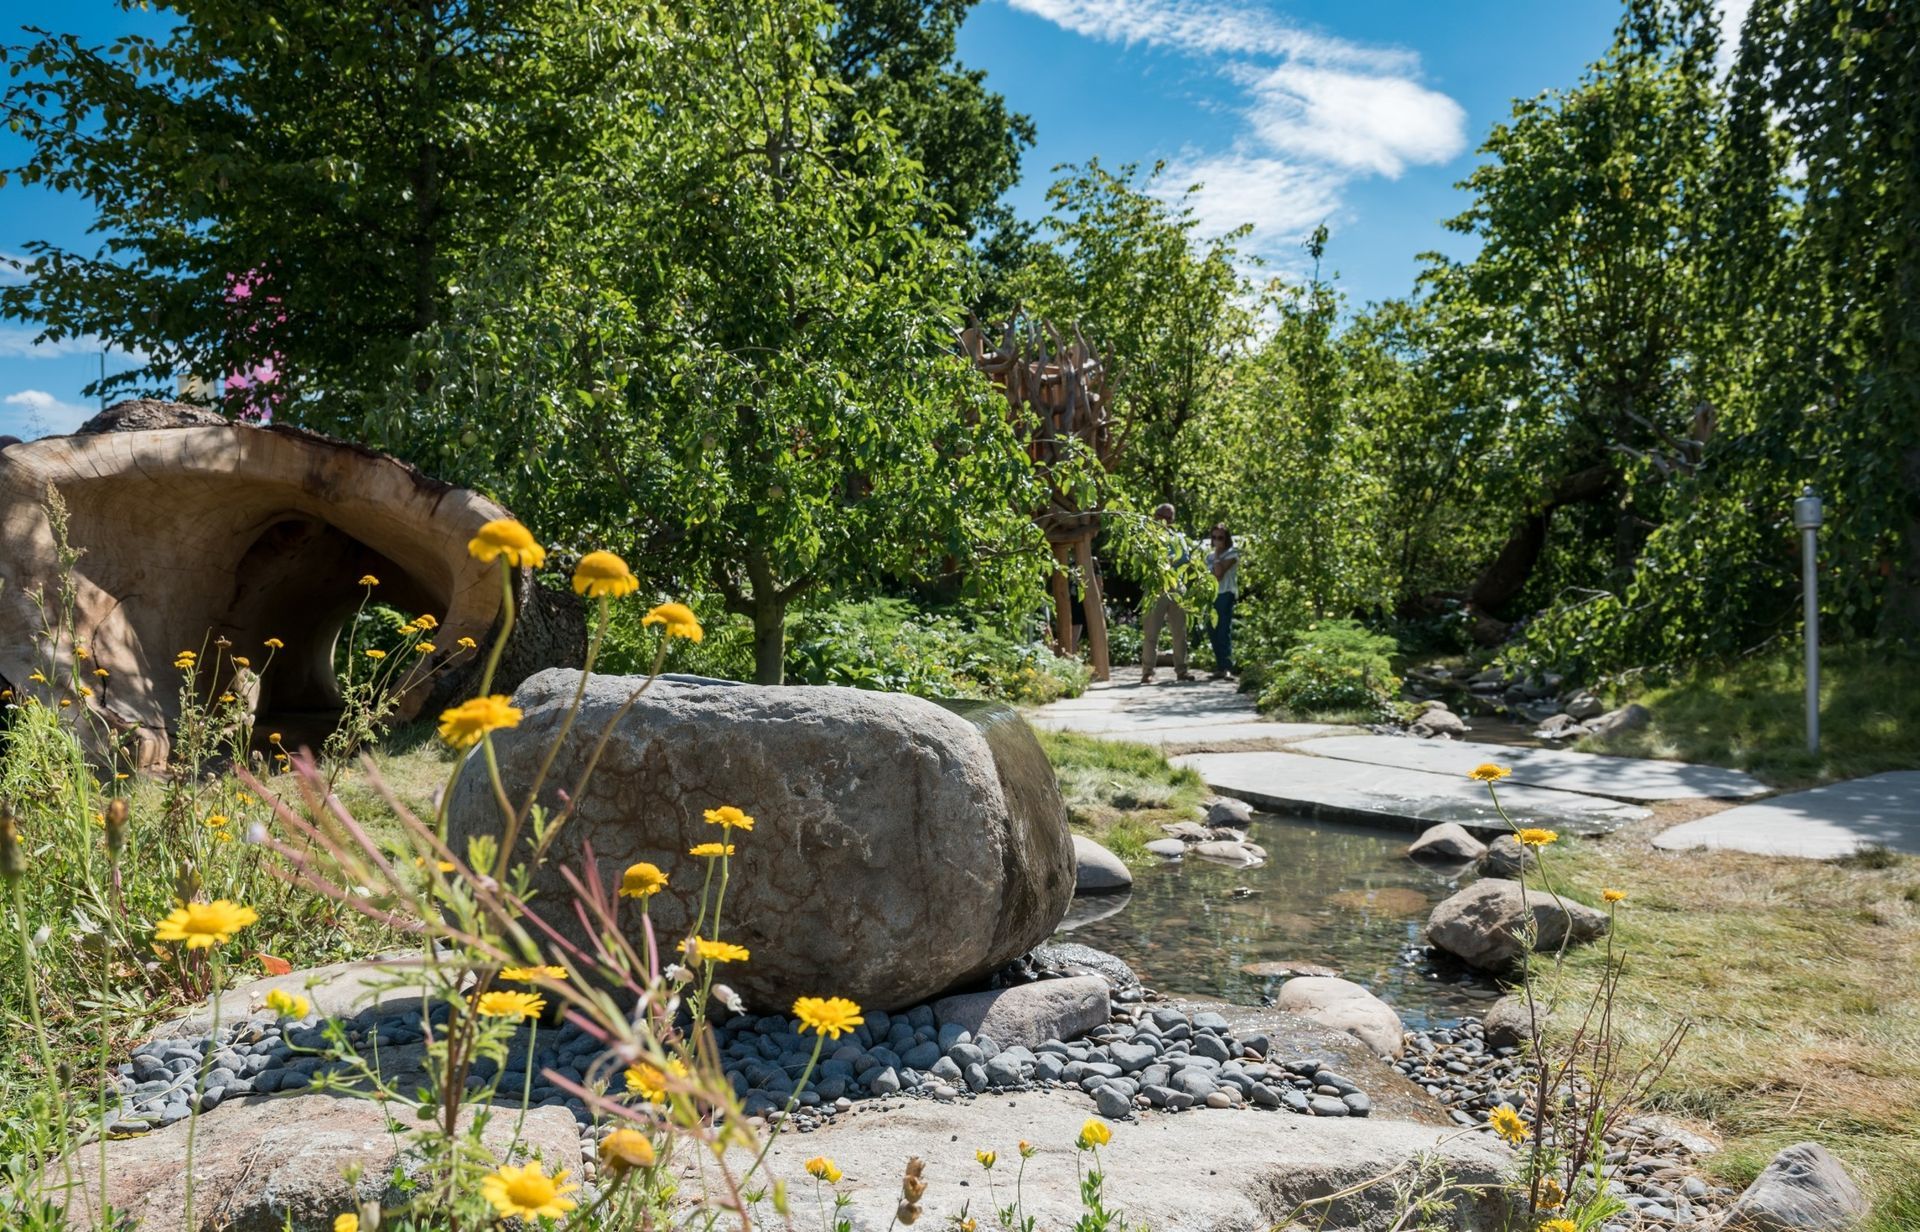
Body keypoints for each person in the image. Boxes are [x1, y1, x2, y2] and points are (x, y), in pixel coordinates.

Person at [1139, 504, 1192, 683]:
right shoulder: (1147, 536)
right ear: (1154, 516)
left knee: (1180, 632)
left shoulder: (1178, 537)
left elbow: (1185, 558)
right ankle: (1147, 672)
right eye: (1161, 516)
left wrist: (1168, 561)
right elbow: (1144, 559)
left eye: (1169, 518)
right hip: (1155, 588)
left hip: (1176, 587)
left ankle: (1181, 670)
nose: (1165, 521)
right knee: (1151, 633)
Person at [1205, 524, 1239, 679]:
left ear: (1227, 539)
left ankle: (1227, 668)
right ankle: (1220, 666)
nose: (1216, 540)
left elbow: (1218, 574)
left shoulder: (1232, 554)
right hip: (1211, 596)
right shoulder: (1208, 557)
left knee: (1223, 630)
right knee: (1212, 630)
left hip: (1225, 594)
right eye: (1214, 537)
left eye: (1220, 537)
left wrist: (1218, 554)